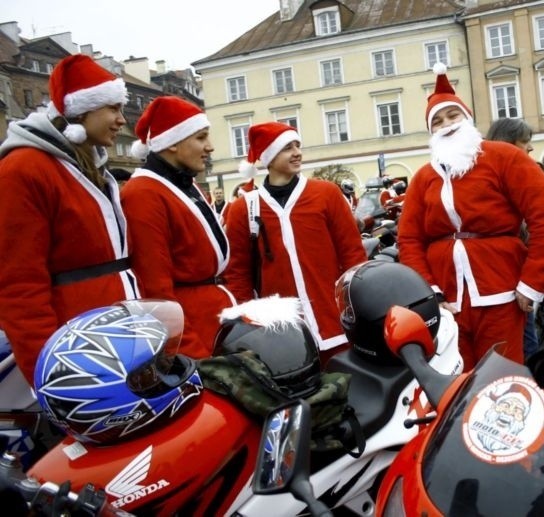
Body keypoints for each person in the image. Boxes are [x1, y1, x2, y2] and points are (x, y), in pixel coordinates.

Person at [398, 64, 544, 370]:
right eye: (437, 121)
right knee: (456, 381)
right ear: (430, 132)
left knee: (502, 378)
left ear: (467, 118)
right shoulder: (423, 177)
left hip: (501, 292)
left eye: (452, 115)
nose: (446, 124)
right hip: (448, 300)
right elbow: (409, 239)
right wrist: (430, 293)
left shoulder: (504, 157)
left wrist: (532, 283)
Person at [0, 54, 140, 384]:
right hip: (78, 349)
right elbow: (19, 286)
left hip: (117, 339)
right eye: (113, 109)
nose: (122, 121)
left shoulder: (89, 165)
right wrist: (50, 375)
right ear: (81, 110)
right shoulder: (23, 170)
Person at [224, 122, 367, 365]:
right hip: (283, 336)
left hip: (336, 324)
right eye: (287, 148)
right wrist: (251, 324)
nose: (297, 152)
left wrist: (359, 306)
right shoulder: (243, 209)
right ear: (268, 157)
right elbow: (238, 274)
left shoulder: (326, 194)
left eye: (297, 145)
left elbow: (353, 254)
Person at [122, 95, 235, 358]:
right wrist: (189, 352)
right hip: (194, 329)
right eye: (200, 137)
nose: (210, 147)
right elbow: (155, 291)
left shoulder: (183, 182)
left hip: (212, 319)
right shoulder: (143, 193)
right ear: (172, 142)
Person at [485, 117, 541, 359]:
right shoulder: (495, 178)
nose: (530, 148)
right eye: (525, 141)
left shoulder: (517, 172)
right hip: (502, 281)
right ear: (507, 143)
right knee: (523, 350)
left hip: (516, 277)